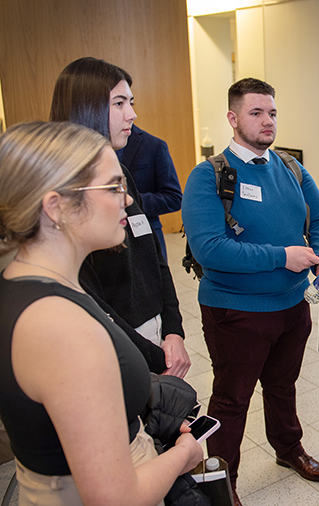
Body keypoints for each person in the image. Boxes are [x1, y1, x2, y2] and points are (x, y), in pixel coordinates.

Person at [0, 121, 203, 506]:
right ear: (56, 207)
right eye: (112, 187)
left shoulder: (27, 280)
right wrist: (183, 456)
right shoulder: (62, 328)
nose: (127, 200)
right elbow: (115, 498)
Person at [182, 78, 319, 502]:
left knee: (283, 385)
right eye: (256, 113)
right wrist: (281, 257)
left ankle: (289, 450)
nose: (267, 120)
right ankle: (222, 480)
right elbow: (210, 249)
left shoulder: (291, 167)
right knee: (232, 401)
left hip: (293, 306)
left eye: (272, 112)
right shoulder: (207, 176)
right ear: (233, 119)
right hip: (236, 313)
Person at [50, 57, 191, 377]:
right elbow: (89, 301)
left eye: (131, 102)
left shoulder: (120, 173)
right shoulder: (64, 193)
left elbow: (154, 259)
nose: (133, 114)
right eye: (119, 103)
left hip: (155, 336)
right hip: (113, 347)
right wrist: (154, 359)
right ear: (85, 108)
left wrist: (173, 331)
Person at [117, 125, 183, 260]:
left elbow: (174, 198)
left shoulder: (154, 145)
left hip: (145, 236)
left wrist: (131, 200)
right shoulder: (85, 144)